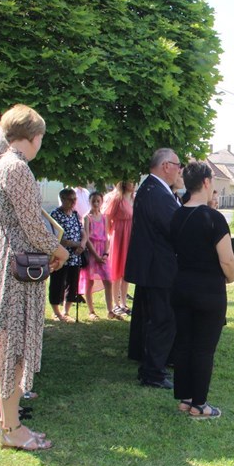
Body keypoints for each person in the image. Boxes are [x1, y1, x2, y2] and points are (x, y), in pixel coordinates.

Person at [0, 104, 68, 450]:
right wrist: (59, 250)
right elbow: (33, 225)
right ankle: (12, 428)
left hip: (9, 261)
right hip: (17, 269)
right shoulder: (17, 168)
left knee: (8, 346)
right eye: (41, 137)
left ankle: (8, 423)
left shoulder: (1, 165)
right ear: (33, 136)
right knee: (13, 348)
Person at [170, 162, 234, 418]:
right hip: (208, 291)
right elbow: (227, 260)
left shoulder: (176, 215)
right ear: (207, 182)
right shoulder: (213, 218)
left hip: (180, 286)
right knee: (204, 348)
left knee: (184, 343)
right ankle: (199, 405)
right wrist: (230, 277)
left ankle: (186, 398)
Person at [125, 148, 182, 388]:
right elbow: (173, 226)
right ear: (166, 165)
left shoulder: (153, 188)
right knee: (162, 320)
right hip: (158, 267)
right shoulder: (156, 191)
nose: (179, 171)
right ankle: (153, 373)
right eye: (178, 165)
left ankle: (153, 368)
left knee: (157, 319)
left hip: (154, 265)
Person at [49, 188, 86, 323]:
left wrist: (82, 244)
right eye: (70, 199)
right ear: (63, 199)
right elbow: (59, 238)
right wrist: (76, 244)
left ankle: (66, 311)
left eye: (75, 199)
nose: (73, 202)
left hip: (75, 257)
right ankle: (56, 312)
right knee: (57, 283)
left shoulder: (75, 214)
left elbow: (83, 232)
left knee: (73, 284)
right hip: (61, 256)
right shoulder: (55, 214)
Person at [80, 191, 118, 320]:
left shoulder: (104, 217)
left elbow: (107, 237)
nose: (96, 203)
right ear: (89, 202)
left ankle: (110, 310)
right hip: (92, 251)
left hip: (102, 251)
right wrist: (96, 256)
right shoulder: (87, 217)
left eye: (98, 201)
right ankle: (91, 311)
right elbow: (86, 238)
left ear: (101, 202)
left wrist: (106, 253)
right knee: (89, 282)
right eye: (93, 201)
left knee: (108, 281)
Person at [104, 180, 135, 316]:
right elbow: (108, 217)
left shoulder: (134, 198)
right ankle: (115, 303)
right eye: (130, 181)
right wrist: (110, 234)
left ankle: (123, 302)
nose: (133, 184)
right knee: (117, 269)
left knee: (126, 270)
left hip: (130, 235)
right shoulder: (117, 199)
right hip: (119, 234)